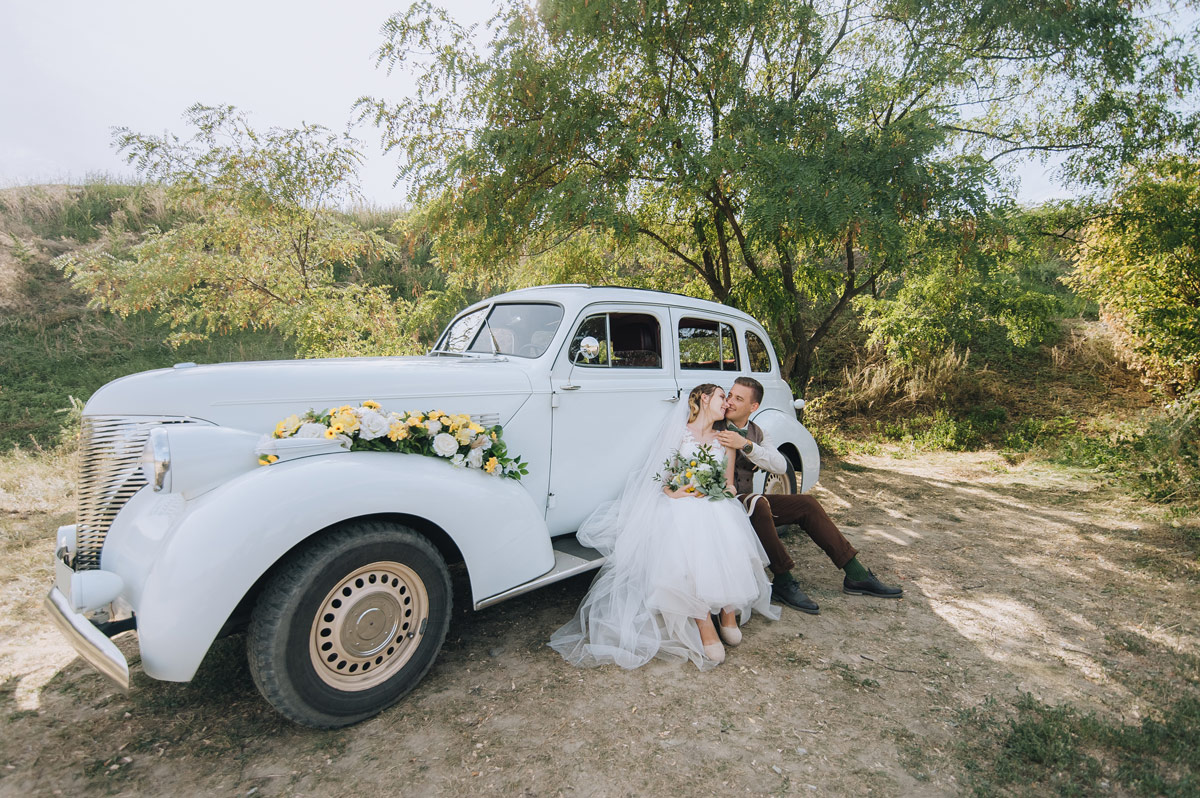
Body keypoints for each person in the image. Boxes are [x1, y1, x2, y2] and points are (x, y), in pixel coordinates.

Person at [550, 384, 780, 669]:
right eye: (723, 397)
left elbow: (729, 483)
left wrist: (723, 492)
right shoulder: (680, 434)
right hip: (681, 501)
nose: (727, 404)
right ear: (705, 399)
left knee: (721, 518)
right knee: (688, 525)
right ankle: (703, 619)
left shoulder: (725, 438)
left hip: (713, 500)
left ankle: (727, 610)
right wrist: (675, 492)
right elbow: (662, 478)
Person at [714, 376, 902, 614]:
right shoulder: (714, 424)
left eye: (738, 398)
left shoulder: (759, 433)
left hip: (747, 501)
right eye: (730, 395)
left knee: (807, 504)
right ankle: (783, 580)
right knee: (759, 503)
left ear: (753, 407)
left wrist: (746, 445)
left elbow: (780, 466)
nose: (730, 402)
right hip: (723, 503)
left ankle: (856, 574)